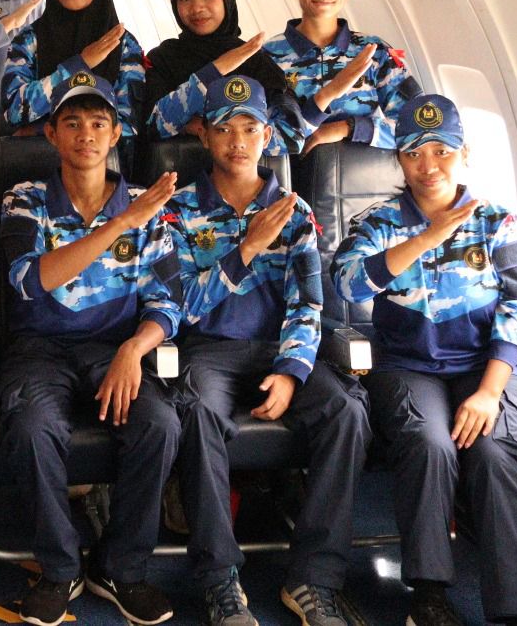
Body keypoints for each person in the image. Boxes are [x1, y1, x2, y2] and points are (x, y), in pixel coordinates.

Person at [165, 77, 370, 626]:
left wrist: (291, 371)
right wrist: (247, 248)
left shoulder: (294, 212)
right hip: (209, 350)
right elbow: (180, 305)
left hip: (280, 347)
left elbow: (309, 302)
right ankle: (220, 578)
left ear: (268, 135)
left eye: (250, 128)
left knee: (347, 410)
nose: (238, 141)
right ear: (205, 136)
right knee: (197, 411)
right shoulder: (177, 212)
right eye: (224, 129)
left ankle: (313, 577)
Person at [335, 94, 517, 626]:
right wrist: (428, 238)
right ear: (399, 160)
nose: (428, 166)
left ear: (464, 154)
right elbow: (348, 283)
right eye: (413, 153)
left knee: (497, 453)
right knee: (429, 445)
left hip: (485, 366)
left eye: (441, 151)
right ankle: (428, 594)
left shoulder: (496, 223)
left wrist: (490, 393)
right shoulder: (379, 222)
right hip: (409, 364)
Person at [0, 72, 181, 626]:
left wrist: (134, 350)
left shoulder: (147, 206)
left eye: (99, 123)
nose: (86, 134)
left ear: (116, 134)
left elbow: (168, 302)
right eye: (72, 123)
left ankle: (120, 567)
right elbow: (30, 281)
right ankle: (59, 569)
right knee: (33, 427)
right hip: (39, 348)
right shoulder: (26, 198)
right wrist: (120, 223)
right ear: (51, 133)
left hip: (113, 348)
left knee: (160, 424)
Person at [146, 0, 370, 156]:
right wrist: (218, 69)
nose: (196, 8)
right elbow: (152, 126)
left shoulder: (258, 62)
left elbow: (290, 137)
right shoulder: (161, 59)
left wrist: (326, 96)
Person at [261, 0, 420, 152]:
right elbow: (255, 139)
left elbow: (416, 128)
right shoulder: (267, 57)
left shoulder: (374, 52)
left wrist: (349, 128)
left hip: (363, 171)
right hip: (291, 171)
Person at [2, 0, 146, 135]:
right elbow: (14, 112)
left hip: (104, 157)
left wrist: (43, 130)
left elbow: (129, 126)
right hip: (39, 156)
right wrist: (79, 66)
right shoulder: (28, 41)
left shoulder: (122, 44)